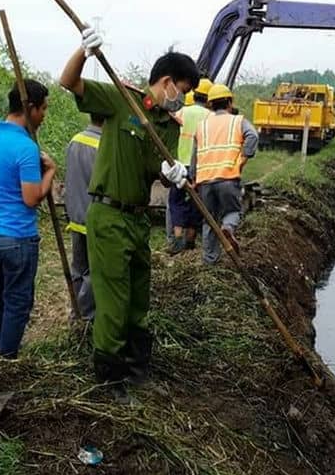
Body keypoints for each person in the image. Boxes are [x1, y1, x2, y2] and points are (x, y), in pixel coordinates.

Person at [59, 25, 199, 400]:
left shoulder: (169, 125)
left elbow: (161, 169)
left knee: (139, 296)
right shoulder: (122, 100)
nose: (182, 100)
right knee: (114, 298)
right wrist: (83, 52)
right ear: (167, 82)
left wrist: (174, 174)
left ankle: (138, 368)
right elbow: (68, 81)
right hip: (107, 216)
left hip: (138, 220)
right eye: (182, 92)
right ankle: (110, 379)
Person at [0, 80, 56, 359]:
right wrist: (50, 171)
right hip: (17, 238)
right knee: (18, 299)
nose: (44, 115)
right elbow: (31, 198)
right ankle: (8, 355)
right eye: (43, 108)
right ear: (30, 107)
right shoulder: (25, 147)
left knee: (0, 292)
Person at [190, 84, 259, 265]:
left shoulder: (202, 126)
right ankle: (228, 228)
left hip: (205, 180)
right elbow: (253, 136)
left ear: (210, 105)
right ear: (229, 102)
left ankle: (210, 260)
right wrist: (244, 157)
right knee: (233, 211)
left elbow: (194, 154)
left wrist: (193, 178)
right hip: (228, 176)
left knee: (209, 220)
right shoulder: (238, 121)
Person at [64, 113, 104, 321]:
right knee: (92, 272)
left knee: (78, 268)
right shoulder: (102, 146)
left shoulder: (75, 140)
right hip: (94, 218)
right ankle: (87, 316)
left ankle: (75, 312)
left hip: (76, 215)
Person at [167, 77, 213, 254]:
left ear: (193, 95)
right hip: (199, 167)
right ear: (208, 99)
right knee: (196, 204)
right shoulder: (210, 117)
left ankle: (177, 239)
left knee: (176, 201)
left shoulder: (182, 113)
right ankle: (190, 243)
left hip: (178, 164)